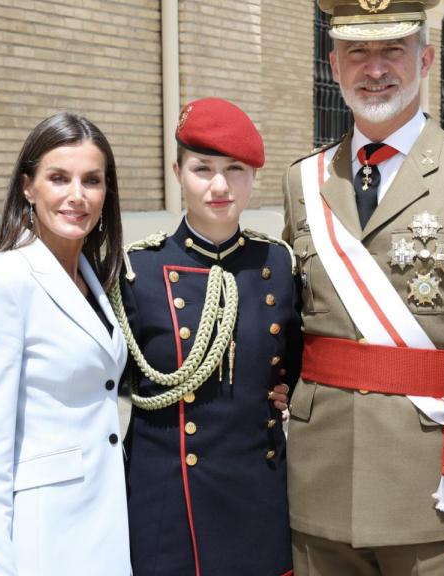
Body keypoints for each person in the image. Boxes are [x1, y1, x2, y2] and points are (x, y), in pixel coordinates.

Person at [281, 2, 444, 575]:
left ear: (425, 59)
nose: (374, 68)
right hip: (318, 489)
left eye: (392, 50)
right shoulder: (305, 181)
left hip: (435, 501)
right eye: (357, 52)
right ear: (334, 64)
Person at [111, 97, 299, 576]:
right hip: (167, 500)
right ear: (177, 171)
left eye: (235, 169)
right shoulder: (136, 270)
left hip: (258, 492)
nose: (219, 185)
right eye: (202, 168)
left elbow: (300, 365)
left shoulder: (277, 264)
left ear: (255, 175)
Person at [0, 112, 129, 576]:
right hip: (43, 536)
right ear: (28, 187)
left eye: (92, 180)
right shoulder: (2, 283)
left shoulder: (96, 279)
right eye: (58, 178)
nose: (77, 195)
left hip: (105, 518)